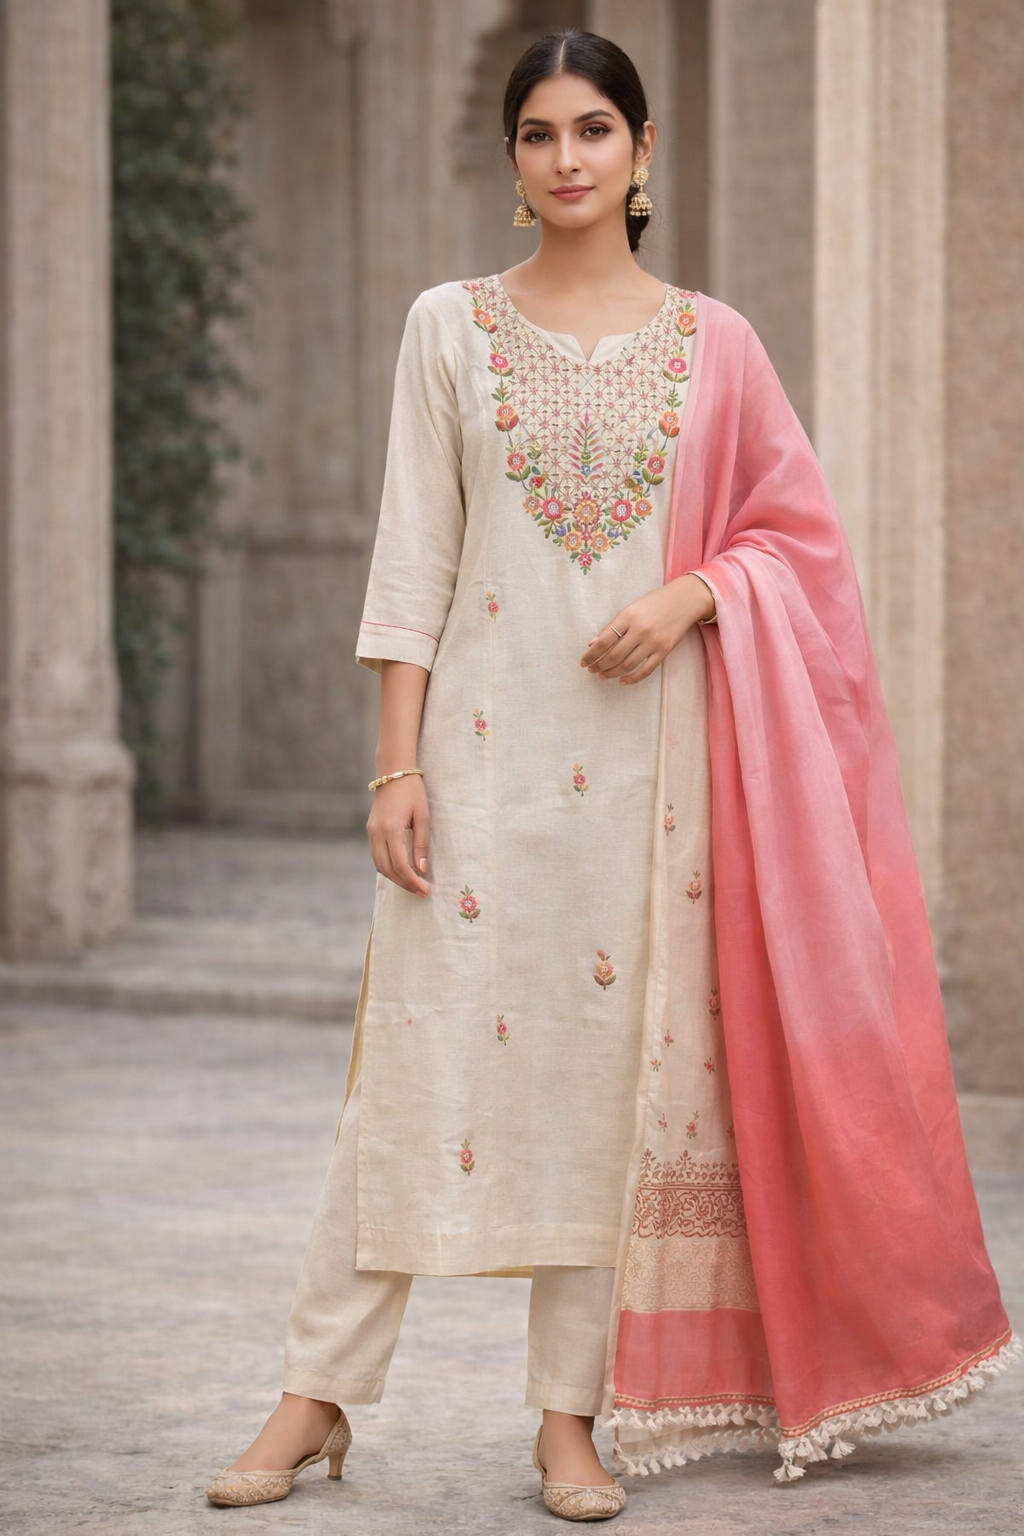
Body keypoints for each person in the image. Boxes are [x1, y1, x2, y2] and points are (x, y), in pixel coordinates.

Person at [205, 26, 1018, 1517]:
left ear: (643, 151)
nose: (566, 157)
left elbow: (801, 545)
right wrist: (393, 770)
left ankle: (566, 1420)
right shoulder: (450, 328)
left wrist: (696, 592)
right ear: (512, 161)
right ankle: (314, 1395)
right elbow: (413, 558)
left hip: (653, 781)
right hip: (476, 761)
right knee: (409, 1074)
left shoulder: (716, 345)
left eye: (593, 130)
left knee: (606, 1091)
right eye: (539, 134)